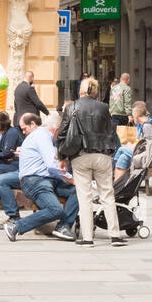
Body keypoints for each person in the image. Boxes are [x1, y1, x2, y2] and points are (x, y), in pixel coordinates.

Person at [59, 77, 124, 246]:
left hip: (80, 156)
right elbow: (111, 131)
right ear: (95, 91)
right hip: (102, 155)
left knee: (84, 197)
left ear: (80, 90)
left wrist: (62, 157)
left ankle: (88, 237)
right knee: (107, 194)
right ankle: (115, 235)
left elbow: (63, 133)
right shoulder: (104, 108)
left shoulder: (72, 107)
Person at [4, 110, 81, 243]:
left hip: (45, 180)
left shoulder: (40, 135)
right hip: (35, 181)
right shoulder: (43, 136)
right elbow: (52, 165)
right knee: (55, 209)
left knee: (79, 190)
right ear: (57, 130)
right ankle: (16, 226)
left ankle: (63, 226)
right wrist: (70, 178)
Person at [113, 102, 152, 180]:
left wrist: (133, 147)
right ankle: (117, 185)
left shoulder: (147, 126)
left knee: (121, 149)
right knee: (123, 157)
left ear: (136, 115)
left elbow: (147, 148)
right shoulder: (147, 124)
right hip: (144, 154)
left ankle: (111, 172)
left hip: (146, 157)